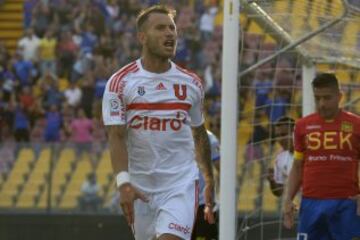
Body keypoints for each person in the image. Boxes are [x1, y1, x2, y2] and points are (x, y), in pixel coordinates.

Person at [102, 5, 215, 240]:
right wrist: (123, 183)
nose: (170, 34)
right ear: (142, 37)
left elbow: (199, 132)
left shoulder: (191, 83)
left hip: (180, 184)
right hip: (140, 187)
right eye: (161, 28)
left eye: (172, 28)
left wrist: (209, 179)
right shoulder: (120, 83)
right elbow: (116, 136)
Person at [284, 73, 360, 239]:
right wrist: (288, 198)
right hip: (311, 204)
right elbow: (297, 166)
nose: (322, 104)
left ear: (339, 96)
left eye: (327, 98)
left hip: (346, 203)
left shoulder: (357, 125)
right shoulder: (302, 126)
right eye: (317, 98)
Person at [192, 130, 220, 240]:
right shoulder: (173, 136)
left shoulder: (209, 138)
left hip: (203, 203)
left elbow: (221, 168)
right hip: (179, 201)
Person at [267, 116, 295, 197]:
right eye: (277, 136)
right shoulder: (280, 157)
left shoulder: (312, 152)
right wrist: (272, 181)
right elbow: (279, 192)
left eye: (284, 134)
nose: (280, 139)